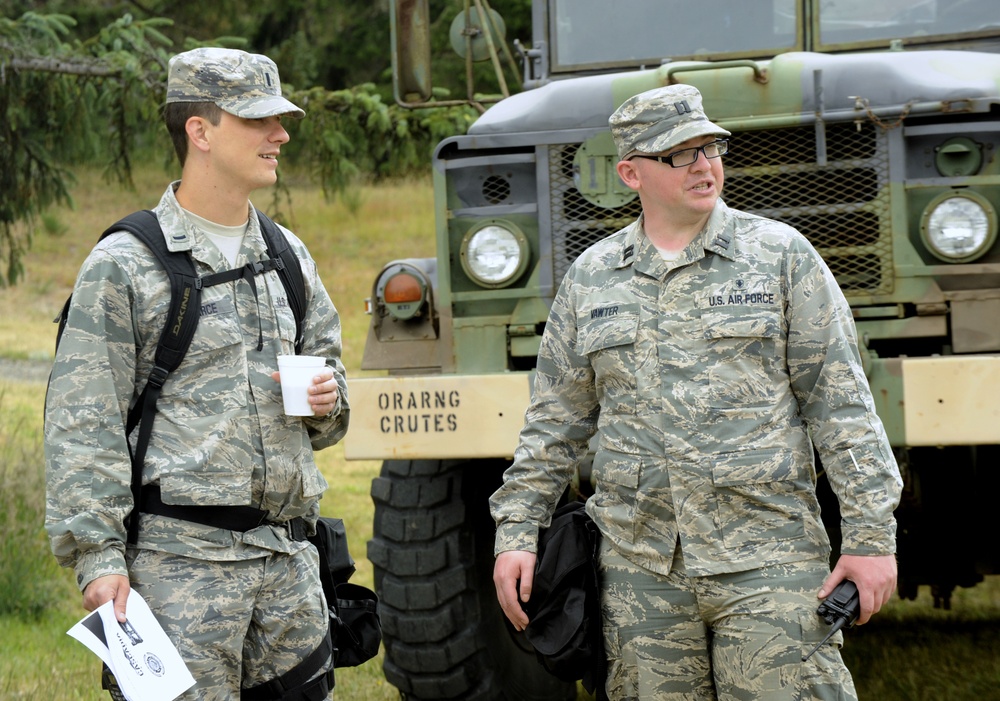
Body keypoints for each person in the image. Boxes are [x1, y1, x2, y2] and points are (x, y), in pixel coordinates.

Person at [490, 84, 902, 700]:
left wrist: (871, 540)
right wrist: (517, 534)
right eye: (678, 154)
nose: (704, 165)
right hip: (640, 569)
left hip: (769, 558)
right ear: (630, 172)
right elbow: (554, 423)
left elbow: (840, 405)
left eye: (709, 147)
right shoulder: (592, 278)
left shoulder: (782, 257)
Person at [45, 47, 349, 700]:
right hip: (181, 576)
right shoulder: (127, 264)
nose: (281, 135)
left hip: (290, 572)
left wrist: (326, 399)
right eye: (258, 120)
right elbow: (82, 420)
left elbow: (332, 405)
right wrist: (98, 558)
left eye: (282, 119)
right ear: (200, 130)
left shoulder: (288, 257)